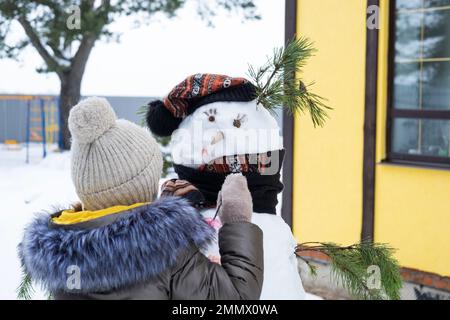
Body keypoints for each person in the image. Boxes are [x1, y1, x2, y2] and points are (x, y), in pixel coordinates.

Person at [18, 97, 263, 300]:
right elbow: (237, 299)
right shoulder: (166, 249)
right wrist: (237, 220)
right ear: (142, 184)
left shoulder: (60, 256)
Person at [145, 74, 307, 299]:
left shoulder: (178, 226)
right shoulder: (272, 226)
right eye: (210, 123)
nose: (221, 136)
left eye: (238, 124)